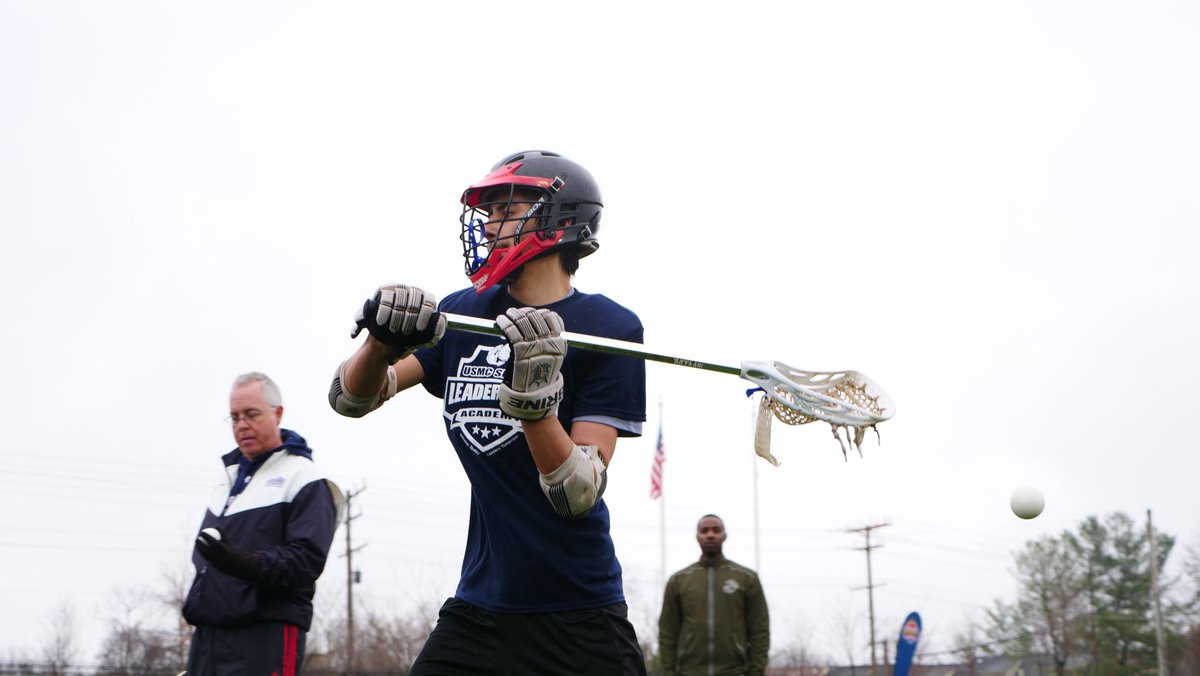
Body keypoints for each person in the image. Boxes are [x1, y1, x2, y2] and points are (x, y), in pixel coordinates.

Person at [328, 150, 649, 675]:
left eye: (506, 209)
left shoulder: (608, 326)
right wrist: (379, 345)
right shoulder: (462, 313)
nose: (489, 224)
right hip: (481, 607)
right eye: (488, 211)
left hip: (576, 611)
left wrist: (535, 406)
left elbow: (577, 492)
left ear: (561, 219)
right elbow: (352, 397)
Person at [183, 372, 345, 676]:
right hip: (209, 635)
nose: (241, 424)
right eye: (234, 417)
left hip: (265, 633)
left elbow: (306, 562)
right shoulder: (226, 482)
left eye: (251, 414)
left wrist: (244, 563)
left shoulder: (305, 479)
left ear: (277, 413)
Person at [658, 514, 771, 676]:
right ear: (698, 537)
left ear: (724, 535)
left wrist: (756, 671)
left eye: (716, 530)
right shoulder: (679, 581)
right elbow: (667, 632)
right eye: (704, 531)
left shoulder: (747, 579)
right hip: (689, 672)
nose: (710, 535)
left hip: (735, 671)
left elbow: (760, 630)